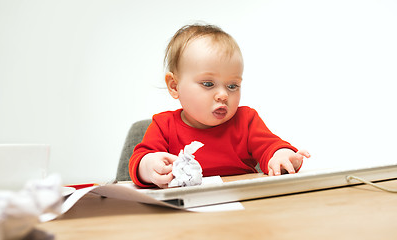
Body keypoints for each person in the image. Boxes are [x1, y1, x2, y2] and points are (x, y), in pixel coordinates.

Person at [129, 23, 310, 188]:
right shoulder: (164, 125)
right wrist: (148, 166)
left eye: (232, 86)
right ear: (174, 86)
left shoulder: (246, 120)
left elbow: (272, 147)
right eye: (208, 84)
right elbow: (138, 161)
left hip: (242, 204)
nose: (223, 95)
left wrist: (282, 156)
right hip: (184, 211)